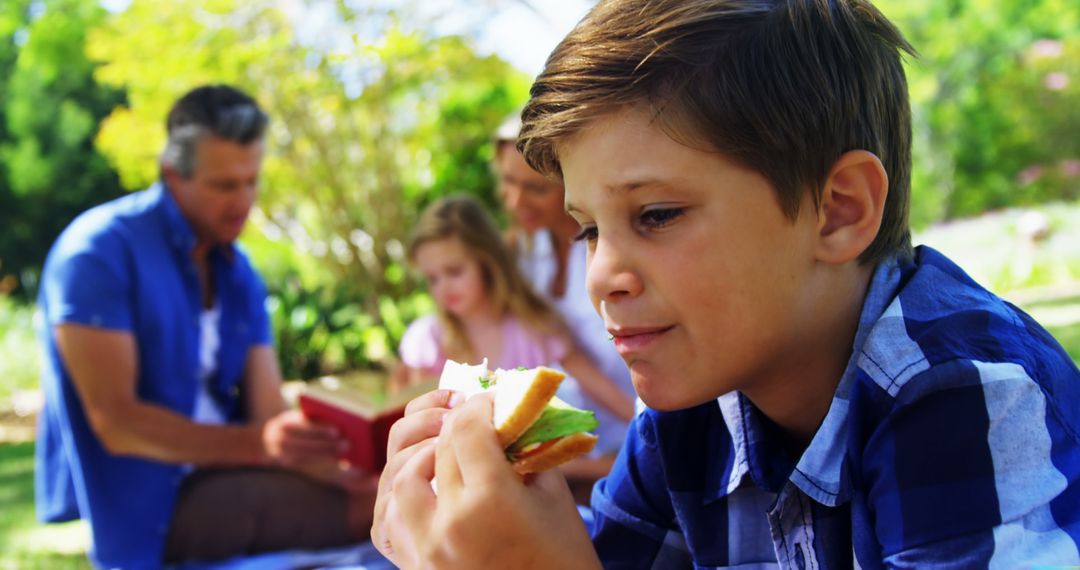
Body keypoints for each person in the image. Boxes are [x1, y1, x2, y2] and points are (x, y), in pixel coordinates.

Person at [371, 0, 1080, 567]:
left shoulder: (961, 395)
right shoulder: (688, 414)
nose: (603, 277)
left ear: (838, 211)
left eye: (656, 215)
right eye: (589, 229)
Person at [35, 84, 377, 569]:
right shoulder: (96, 252)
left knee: (394, 490)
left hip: (236, 471)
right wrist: (261, 445)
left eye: (252, 182)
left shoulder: (240, 274)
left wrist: (336, 470)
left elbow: (266, 413)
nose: (243, 201)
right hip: (154, 505)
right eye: (223, 185)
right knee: (389, 512)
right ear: (173, 175)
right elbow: (117, 423)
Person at [394, 195, 634, 432]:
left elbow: (611, 398)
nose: (443, 288)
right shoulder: (427, 341)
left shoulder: (534, 329)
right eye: (432, 278)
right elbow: (424, 430)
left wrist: (660, 429)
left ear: (487, 263)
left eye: (454, 271)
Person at [494, 113, 638, 495]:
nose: (515, 200)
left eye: (535, 188)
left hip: (630, 435)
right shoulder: (523, 252)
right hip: (563, 436)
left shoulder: (611, 252)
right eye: (508, 182)